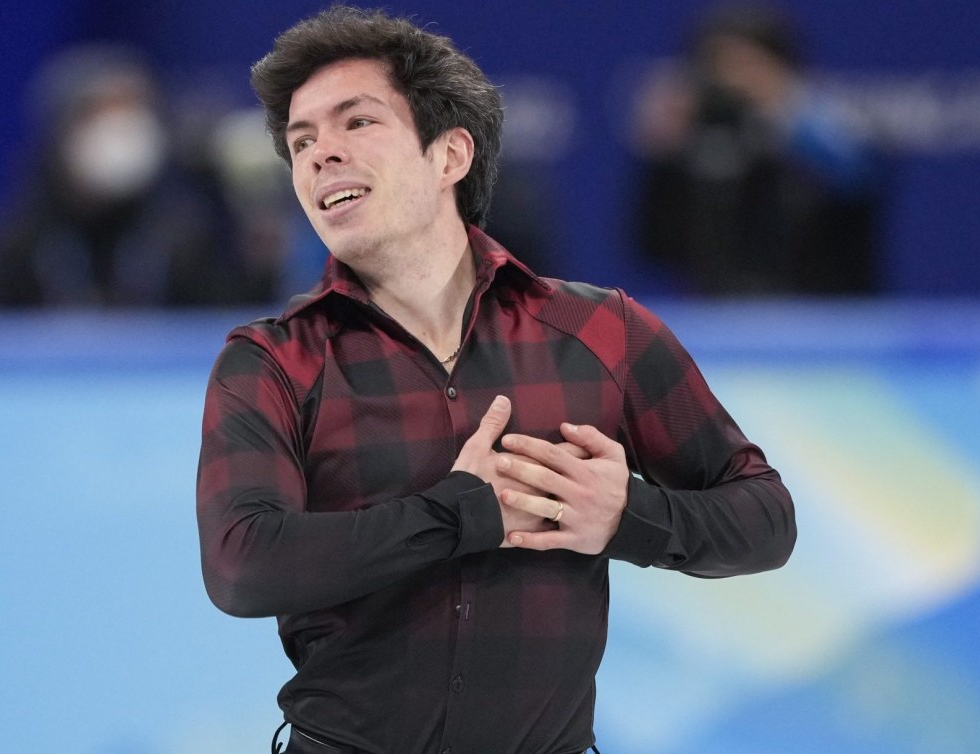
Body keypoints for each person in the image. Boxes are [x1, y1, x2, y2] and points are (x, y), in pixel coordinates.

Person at [195, 7, 795, 753]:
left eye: (355, 124)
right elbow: (241, 565)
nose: (320, 155)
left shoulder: (600, 333)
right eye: (301, 141)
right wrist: (457, 514)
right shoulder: (273, 361)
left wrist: (625, 515)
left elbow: (765, 519)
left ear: (448, 155)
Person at [0, 44, 272, 308]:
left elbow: (224, 338)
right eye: (100, 111)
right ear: (61, 129)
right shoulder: (17, 245)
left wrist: (261, 268)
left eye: (135, 108)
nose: (122, 128)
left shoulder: (185, 238)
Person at [630, 2, 883, 295]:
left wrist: (785, 110)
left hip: (821, 320)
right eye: (717, 66)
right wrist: (662, 156)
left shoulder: (829, 129)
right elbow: (654, 247)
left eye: (748, 65)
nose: (733, 81)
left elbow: (858, 180)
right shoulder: (690, 145)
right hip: (719, 322)